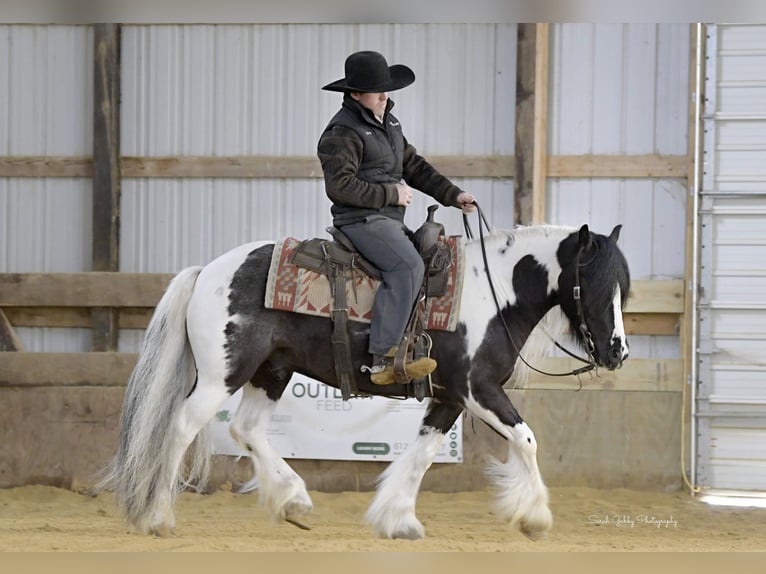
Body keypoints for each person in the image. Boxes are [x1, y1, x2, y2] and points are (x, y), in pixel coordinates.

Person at [317, 50, 476, 385]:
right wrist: (392, 193)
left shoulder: (389, 123)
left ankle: (415, 343)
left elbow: (414, 166)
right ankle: (383, 359)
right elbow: (339, 186)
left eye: (386, 90)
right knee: (407, 266)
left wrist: (452, 194)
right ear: (356, 94)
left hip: (387, 221)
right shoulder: (341, 132)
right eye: (378, 91)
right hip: (360, 221)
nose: (385, 96)